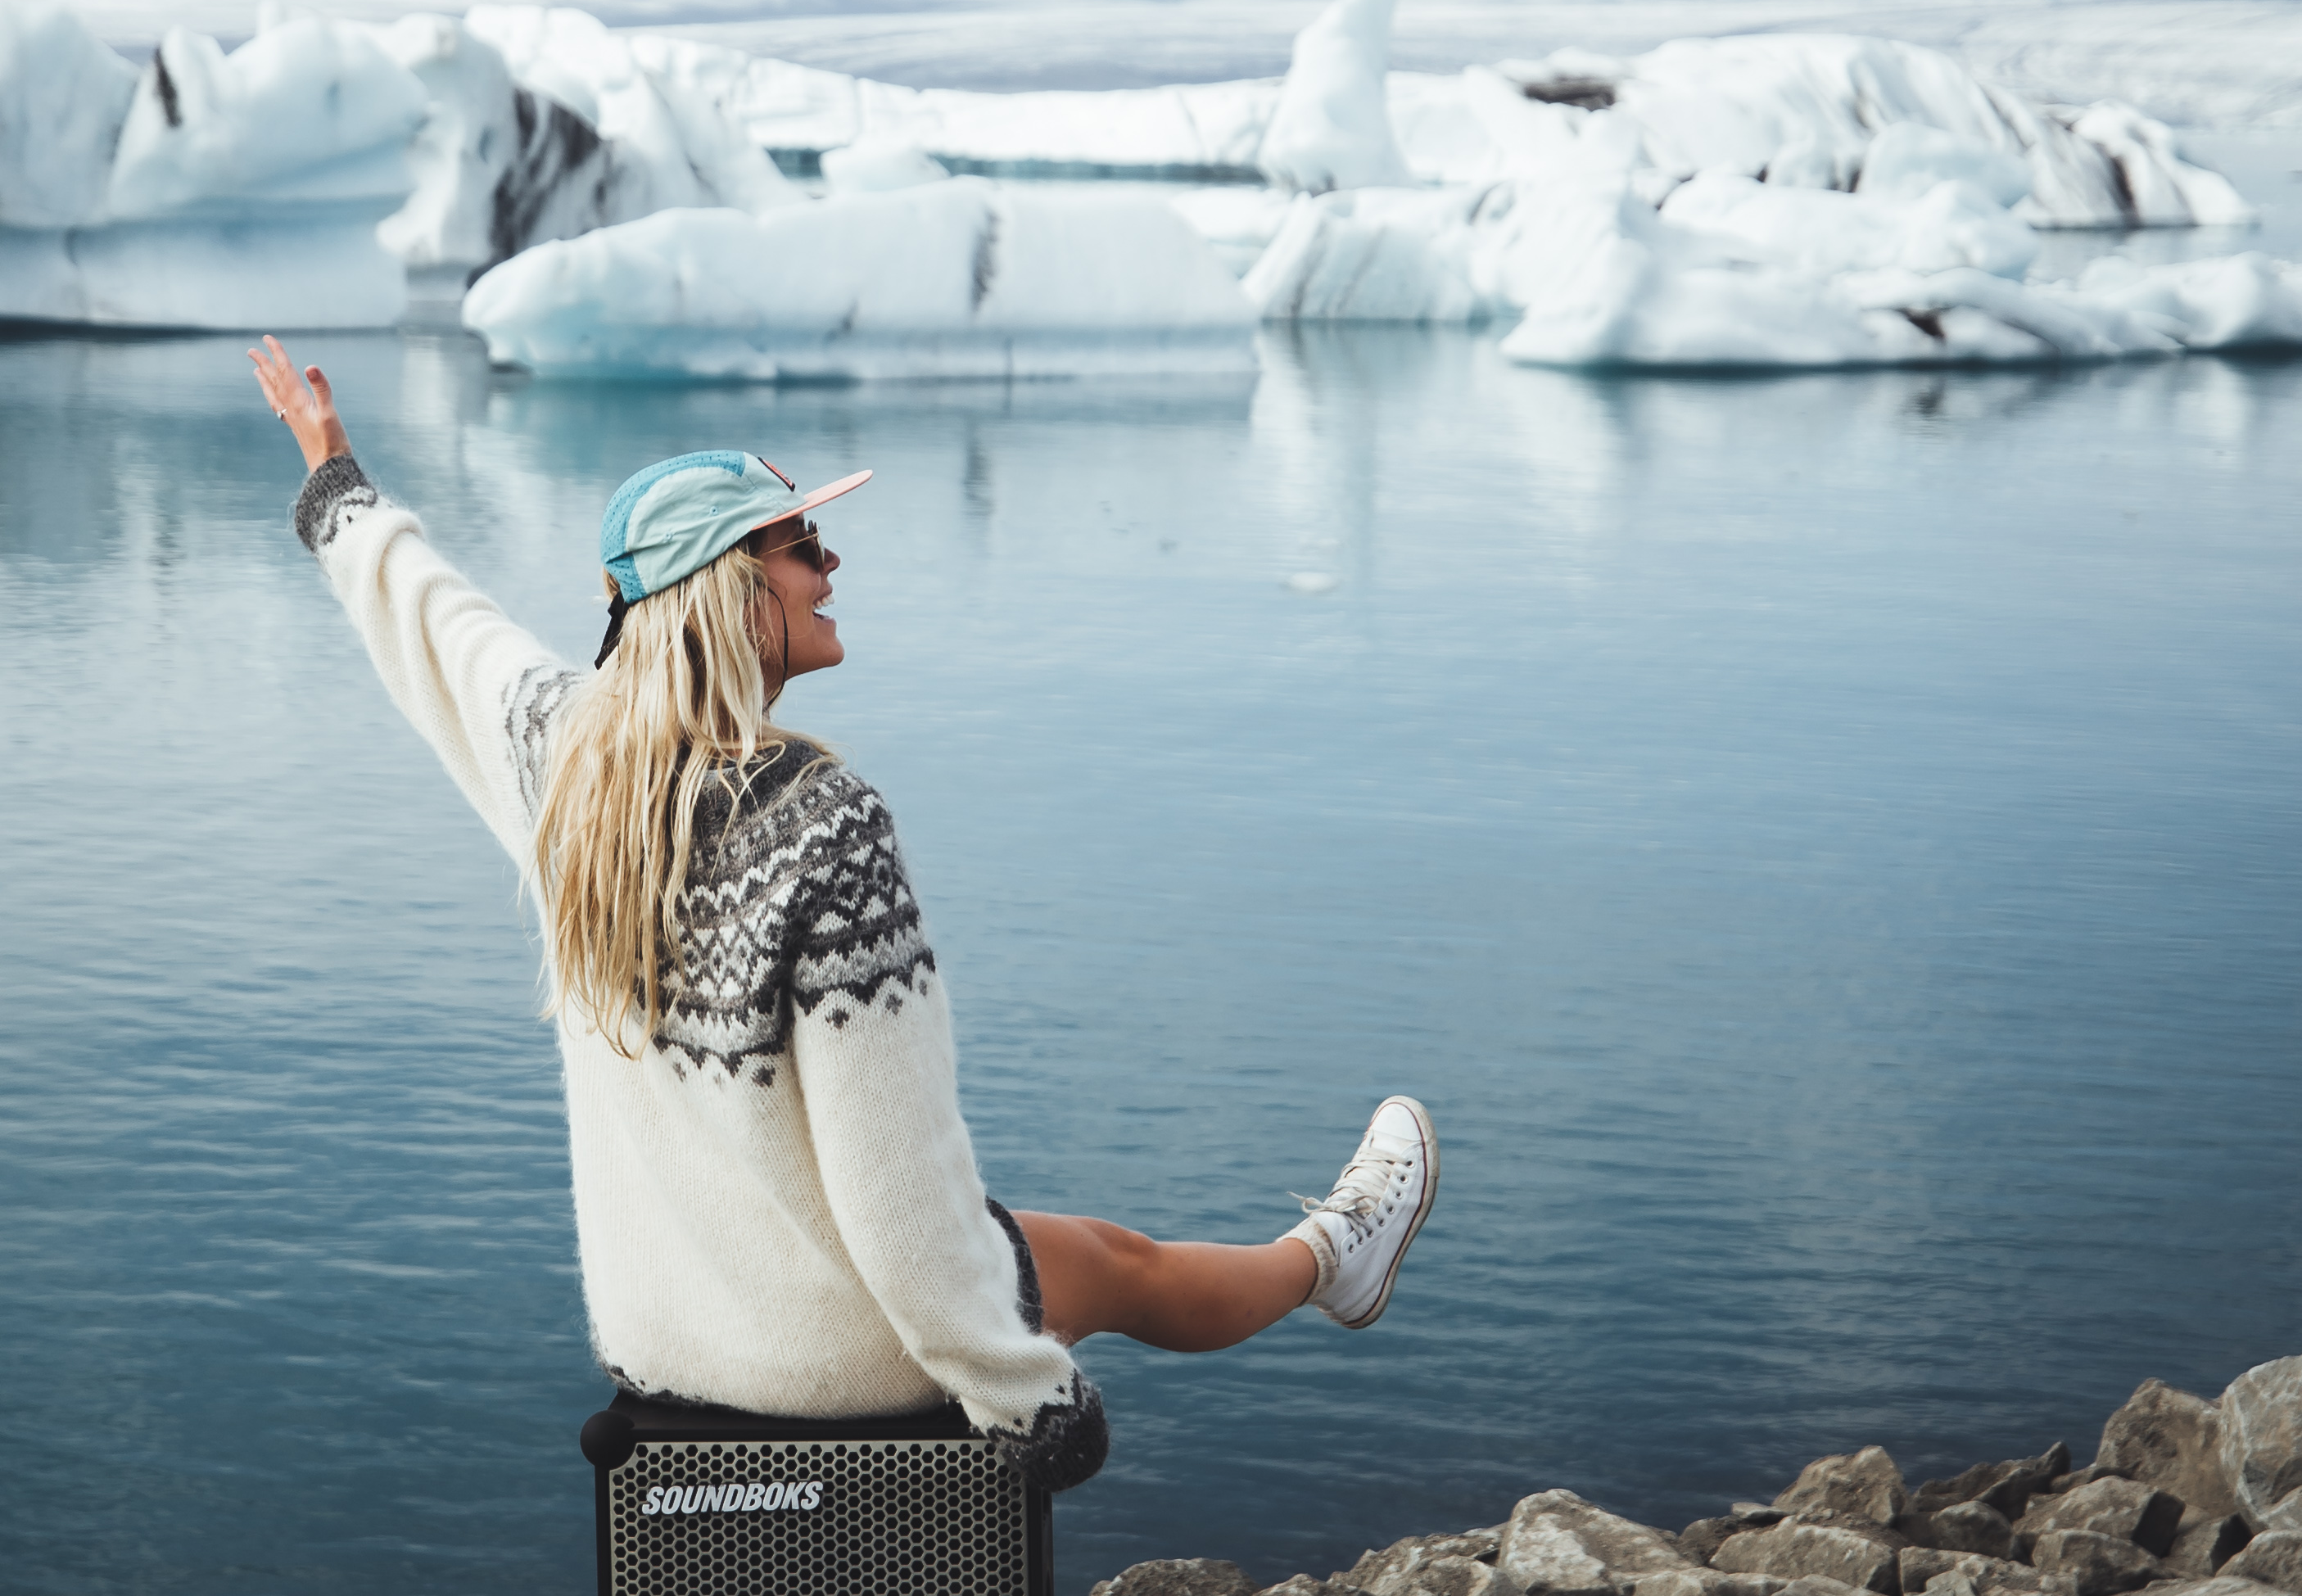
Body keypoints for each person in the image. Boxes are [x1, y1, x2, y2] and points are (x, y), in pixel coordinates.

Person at [249, 341, 1437, 1483]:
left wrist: (334, 485)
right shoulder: (820, 824)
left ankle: (1331, 1255)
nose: (830, 567)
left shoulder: (566, 766)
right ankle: (1334, 1255)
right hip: (838, 1357)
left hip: (666, 1336)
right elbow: (898, 1181)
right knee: (1110, 1264)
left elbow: (437, 627)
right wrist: (1025, 1396)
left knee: (1056, 1246)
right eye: (801, 543)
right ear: (725, 584)